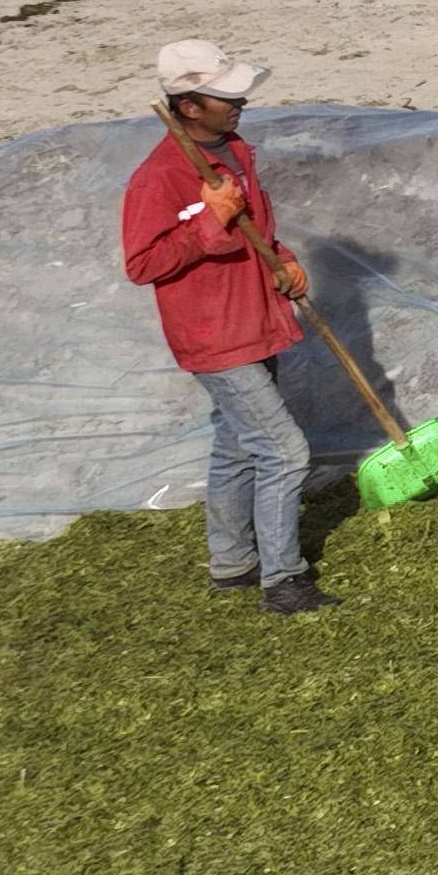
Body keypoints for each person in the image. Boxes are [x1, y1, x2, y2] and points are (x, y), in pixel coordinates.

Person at [118, 40, 333, 616]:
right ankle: (284, 581)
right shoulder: (159, 177)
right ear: (188, 106)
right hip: (216, 335)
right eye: (225, 96)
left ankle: (233, 564)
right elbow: (142, 264)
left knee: (238, 445)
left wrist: (284, 259)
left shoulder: (235, 151)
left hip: (257, 317)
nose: (240, 103)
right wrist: (207, 225)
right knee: (285, 451)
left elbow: (257, 227)